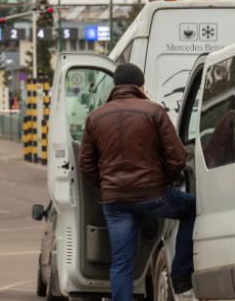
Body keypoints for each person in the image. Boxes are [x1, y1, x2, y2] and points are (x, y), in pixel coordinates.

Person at [77, 63, 195, 300]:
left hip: (116, 202)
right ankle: (181, 278)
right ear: (140, 85)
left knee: (121, 263)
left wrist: (107, 185)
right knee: (191, 208)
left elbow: (85, 165)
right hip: (153, 196)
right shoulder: (154, 111)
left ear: (116, 86)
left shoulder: (95, 116)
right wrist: (167, 181)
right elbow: (178, 156)